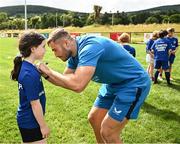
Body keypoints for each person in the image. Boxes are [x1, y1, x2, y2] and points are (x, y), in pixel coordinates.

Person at [38, 28, 151, 143]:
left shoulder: (90, 47)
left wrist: (50, 72)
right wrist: (45, 75)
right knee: (94, 118)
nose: (55, 54)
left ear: (66, 43)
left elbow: (78, 85)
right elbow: (66, 80)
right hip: (113, 83)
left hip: (133, 83)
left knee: (108, 132)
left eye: (55, 50)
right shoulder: (73, 54)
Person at [10, 31, 50, 143]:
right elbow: (35, 104)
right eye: (43, 47)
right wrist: (43, 126)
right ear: (33, 49)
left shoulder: (28, 67)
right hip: (30, 122)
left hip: (29, 120)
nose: (45, 50)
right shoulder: (28, 74)